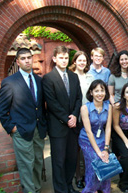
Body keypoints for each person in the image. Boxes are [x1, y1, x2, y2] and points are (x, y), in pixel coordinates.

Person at [0, 48, 47, 193]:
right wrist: (11, 127)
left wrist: (43, 124)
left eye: (29, 57)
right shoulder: (10, 82)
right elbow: (1, 108)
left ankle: (37, 188)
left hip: (38, 129)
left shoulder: (38, 80)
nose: (27, 61)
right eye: (23, 58)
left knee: (37, 161)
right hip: (21, 131)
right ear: (18, 62)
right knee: (26, 164)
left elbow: (41, 105)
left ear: (32, 59)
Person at [42, 46, 82, 193]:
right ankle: (60, 190)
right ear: (54, 59)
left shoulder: (74, 76)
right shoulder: (48, 78)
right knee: (59, 161)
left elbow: (79, 98)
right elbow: (51, 103)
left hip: (73, 126)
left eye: (66, 58)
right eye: (61, 57)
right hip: (58, 126)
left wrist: (75, 115)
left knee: (71, 159)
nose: (64, 60)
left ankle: (68, 186)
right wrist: (67, 119)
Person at [78, 79, 112, 193]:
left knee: (105, 161)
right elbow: (88, 132)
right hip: (87, 139)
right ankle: (91, 189)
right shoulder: (85, 108)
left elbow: (107, 128)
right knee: (95, 161)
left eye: (102, 90)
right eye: (96, 91)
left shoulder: (109, 107)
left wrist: (106, 149)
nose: (100, 94)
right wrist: (98, 152)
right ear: (91, 92)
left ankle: (103, 188)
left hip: (102, 138)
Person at [69, 51, 95, 189]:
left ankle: (87, 174)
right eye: (79, 60)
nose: (82, 62)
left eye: (84, 60)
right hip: (76, 117)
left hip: (89, 117)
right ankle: (78, 176)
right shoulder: (70, 76)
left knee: (88, 147)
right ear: (74, 62)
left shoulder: (90, 77)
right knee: (77, 149)